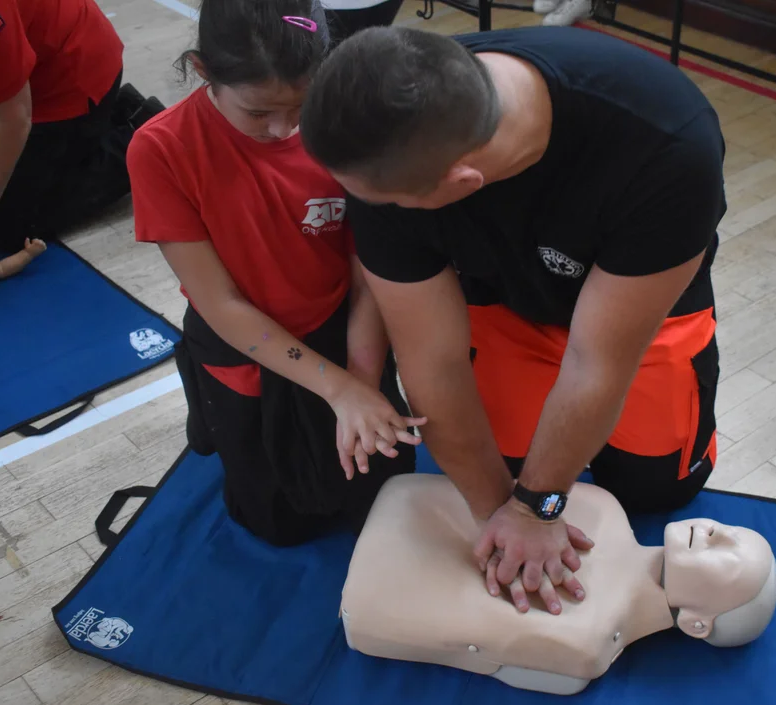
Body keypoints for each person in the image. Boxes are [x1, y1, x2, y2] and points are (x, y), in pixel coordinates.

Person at [300, 26, 727, 610]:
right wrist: (499, 516)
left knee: (659, 490)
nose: (371, 211)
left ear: (463, 185)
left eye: (391, 204)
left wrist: (539, 507)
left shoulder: (669, 148)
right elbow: (431, 361)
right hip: (500, 297)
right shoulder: (382, 150)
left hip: (637, 310)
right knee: (497, 470)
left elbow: (596, 360)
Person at [126, 0, 425, 547]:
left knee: (381, 496)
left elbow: (370, 272)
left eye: (301, 105)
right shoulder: (162, 149)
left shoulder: (344, 125)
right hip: (246, 347)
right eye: (258, 112)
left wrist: (360, 382)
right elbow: (221, 304)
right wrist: (336, 390)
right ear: (203, 71)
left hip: (347, 326)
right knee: (281, 523)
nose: (283, 128)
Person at [341, 473, 776, 694]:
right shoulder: (604, 508)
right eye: (729, 529)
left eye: (728, 557)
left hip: (372, 593)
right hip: (402, 514)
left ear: (697, 624)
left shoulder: (583, 643)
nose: (713, 531)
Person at [0, 0, 161, 257]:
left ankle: (139, 138)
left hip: (70, 79)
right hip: (28, 66)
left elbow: (14, 119)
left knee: (5, 227)